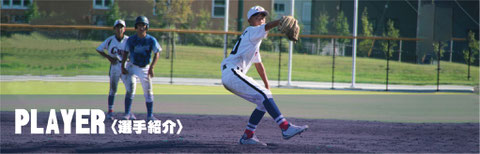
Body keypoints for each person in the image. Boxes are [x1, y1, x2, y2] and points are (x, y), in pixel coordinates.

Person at [221, 6, 308, 146]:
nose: (261, 20)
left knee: (263, 102)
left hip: (233, 74)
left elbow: (259, 65)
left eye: (263, 17)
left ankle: (247, 136)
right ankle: (285, 128)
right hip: (232, 72)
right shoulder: (251, 31)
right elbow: (267, 27)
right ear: (250, 20)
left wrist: (267, 87)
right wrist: (280, 21)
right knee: (264, 96)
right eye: (257, 17)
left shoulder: (253, 41)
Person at [121, 16, 162, 121]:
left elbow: (157, 53)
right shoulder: (131, 40)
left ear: (146, 27)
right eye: (139, 25)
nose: (141, 27)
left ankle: (150, 115)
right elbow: (125, 52)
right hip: (132, 66)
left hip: (145, 68)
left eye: (143, 25)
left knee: (148, 92)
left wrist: (152, 67)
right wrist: (123, 65)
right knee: (130, 89)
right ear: (136, 27)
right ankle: (127, 114)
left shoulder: (151, 40)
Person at [95, 19, 134, 120]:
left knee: (130, 89)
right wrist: (108, 57)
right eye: (117, 27)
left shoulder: (128, 40)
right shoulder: (110, 40)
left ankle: (128, 112)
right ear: (114, 29)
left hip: (125, 66)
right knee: (113, 89)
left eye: (121, 27)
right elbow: (99, 49)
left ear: (124, 29)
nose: (119, 29)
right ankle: (110, 112)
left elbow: (134, 53)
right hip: (115, 66)